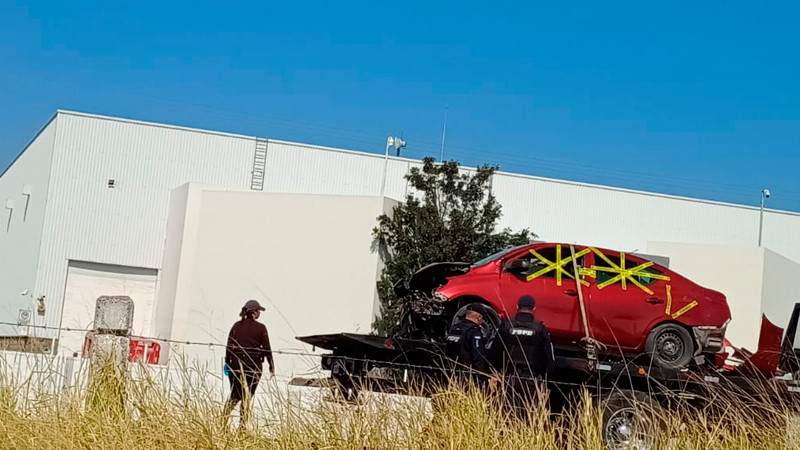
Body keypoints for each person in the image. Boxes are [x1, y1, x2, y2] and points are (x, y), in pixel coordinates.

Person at [500, 295, 554, 418]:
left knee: (506, 414)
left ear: (517, 307)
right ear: (534, 309)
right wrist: (547, 381)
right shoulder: (540, 328)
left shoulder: (506, 325)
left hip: (509, 377)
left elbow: (495, 350)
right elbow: (548, 357)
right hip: (532, 379)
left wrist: (494, 374)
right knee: (530, 415)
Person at [223, 299, 274, 423]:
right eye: (259, 311)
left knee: (235, 395)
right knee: (247, 396)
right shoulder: (261, 328)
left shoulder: (236, 326)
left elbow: (229, 347)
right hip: (253, 367)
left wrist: (227, 363)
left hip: (236, 366)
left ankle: (222, 421)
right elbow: (267, 349)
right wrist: (271, 366)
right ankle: (243, 426)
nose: (259, 313)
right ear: (255, 312)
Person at [457, 304, 493, 380]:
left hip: (452, 372)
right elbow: (477, 355)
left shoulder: (455, 327)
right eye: (483, 317)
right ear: (479, 317)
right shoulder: (474, 331)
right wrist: (483, 376)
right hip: (467, 375)